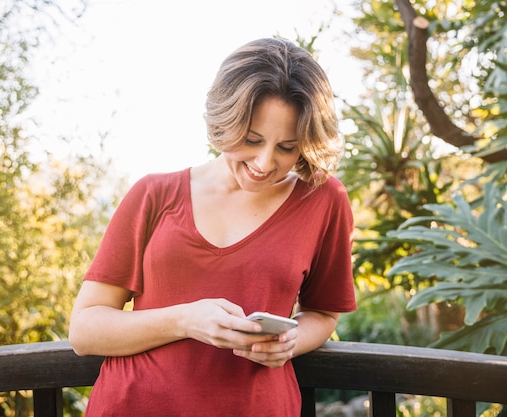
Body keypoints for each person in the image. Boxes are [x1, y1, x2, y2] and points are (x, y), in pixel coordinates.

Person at [69, 37, 357, 417]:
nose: (265, 162)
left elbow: (323, 313)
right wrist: (185, 320)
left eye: (287, 147)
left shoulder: (323, 200)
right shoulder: (154, 194)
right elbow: (85, 330)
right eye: (252, 140)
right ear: (225, 120)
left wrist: (291, 340)